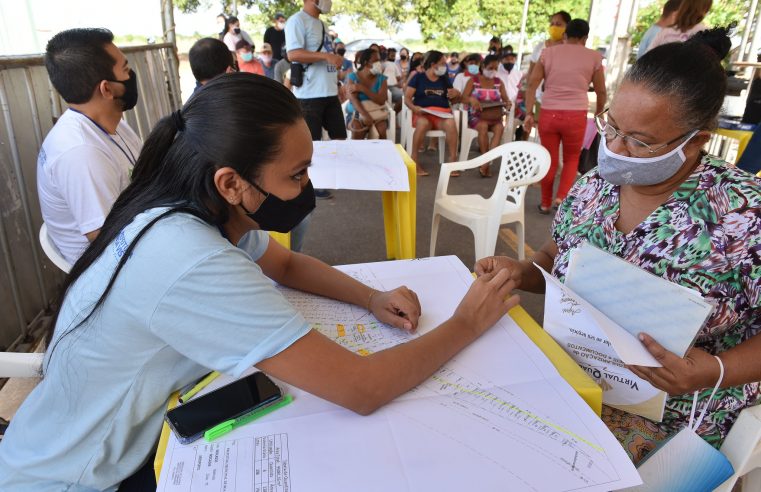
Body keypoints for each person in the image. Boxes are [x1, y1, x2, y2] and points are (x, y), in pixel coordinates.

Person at [0, 74, 518, 490]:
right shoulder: (189, 256)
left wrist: (372, 297)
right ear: (231, 182)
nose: (307, 187)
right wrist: (468, 321)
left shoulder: (192, 209)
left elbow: (287, 265)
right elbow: (362, 388)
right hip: (80, 477)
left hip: (93, 438)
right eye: (296, 175)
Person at [477, 28, 761, 466]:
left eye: (640, 141)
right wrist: (521, 272)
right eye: (611, 126)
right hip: (571, 374)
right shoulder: (596, 185)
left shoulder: (744, 215)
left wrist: (715, 370)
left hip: (678, 412)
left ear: (697, 140)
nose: (615, 148)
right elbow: (557, 256)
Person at [36, 28, 142, 265]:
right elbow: (107, 239)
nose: (131, 75)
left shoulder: (112, 124)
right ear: (106, 89)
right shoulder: (81, 153)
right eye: (125, 70)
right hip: (106, 266)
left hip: (135, 229)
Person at [525, 19, 607, 213]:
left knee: (550, 159)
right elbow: (601, 91)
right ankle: (561, 198)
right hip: (576, 115)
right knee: (571, 159)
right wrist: (598, 114)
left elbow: (532, 84)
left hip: (549, 114)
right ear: (585, 38)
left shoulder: (548, 53)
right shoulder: (594, 57)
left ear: (565, 35)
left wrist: (529, 112)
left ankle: (545, 203)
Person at [286, 0, 347, 200]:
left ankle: (335, 176)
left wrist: (336, 83)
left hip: (329, 91)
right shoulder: (297, 21)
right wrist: (325, 56)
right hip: (309, 94)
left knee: (339, 136)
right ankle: (310, 184)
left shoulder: (322, 24)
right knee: (312, 143)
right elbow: (293, 53)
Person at [405, 50, 461, 176]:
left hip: (442, 115)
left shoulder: (444, 79)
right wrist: (414, 108)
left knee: (451, 123)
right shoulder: (418, 78)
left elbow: (454, 99)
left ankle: (452, 161)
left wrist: (457, 94)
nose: (444, 66)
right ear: (432, 64)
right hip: (423, 114)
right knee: (423, 124)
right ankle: (414, 160)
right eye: (442, 63)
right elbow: (407, 98)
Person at [462, 54, 510, 176]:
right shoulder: (473, 80)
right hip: (476, 116)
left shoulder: (499, 82)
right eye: (490, 68)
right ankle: (485, 162)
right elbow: (463, 98)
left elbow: (506, 99)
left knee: (500, 128)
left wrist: (507, 104)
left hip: (494, 116)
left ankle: (486, 163)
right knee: (482, 126)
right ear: (483, 66)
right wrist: (472, 100)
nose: (493, 71)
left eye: (495, 68)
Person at [527, 10, 571, 118]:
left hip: (562, 103)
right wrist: (528, 100)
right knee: (541, 131)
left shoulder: (570, 49)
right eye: (552, 23)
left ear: (567, 27)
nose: (554, 27)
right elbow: (531, 73)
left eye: (559, 24)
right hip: (540, 99)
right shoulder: (540, 47)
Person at [345, 48, 389, 140]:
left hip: (377, 112)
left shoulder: (382, 79)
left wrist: (362, 88)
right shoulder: (353, 77)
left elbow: (381, 101)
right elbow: (353, 99)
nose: (379, 63)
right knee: (357, 128)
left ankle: (379, 154)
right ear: (366, 63)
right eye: (375, 61)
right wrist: (365, 115)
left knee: (381, 130)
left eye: (379, 60)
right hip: (356, 112)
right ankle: (357, 153)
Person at [647, 0, 712, 52]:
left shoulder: (666, 31)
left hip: (663, 67)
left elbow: (647, 56)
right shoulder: (705, 33)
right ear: (705, 10)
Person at [383, 47, 403, 112]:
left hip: (393, 87)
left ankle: (393, 114)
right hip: (390, 87)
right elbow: (399, 77)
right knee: (403, 97)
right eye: (392, 56)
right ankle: (394, 114)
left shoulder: (393, 64)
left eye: (394, 56)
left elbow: (398, 77)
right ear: (387, 55)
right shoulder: (392, 64)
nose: (393, 57)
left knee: (403, 97)